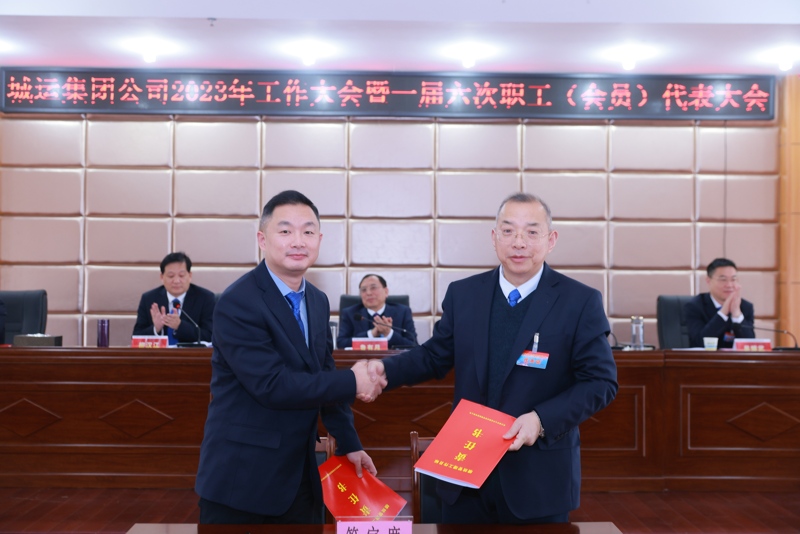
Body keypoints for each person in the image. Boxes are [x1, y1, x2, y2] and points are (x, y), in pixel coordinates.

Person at [365, 192, 618, 524]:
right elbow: (434, 356)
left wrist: (541, 420)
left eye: (532, 232)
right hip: (464, 475)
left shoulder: (579, 301)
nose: (519, 242)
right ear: (494, 237)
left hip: (537, 479)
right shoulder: (464, 294)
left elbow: (600, 383)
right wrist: (385, 370)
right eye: (508, 230)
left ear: (551, 240)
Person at [194, 190, 384, 524]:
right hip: (243, 481)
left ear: (319, 240)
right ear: (262, 240)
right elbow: (273, 385)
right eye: (285, 231)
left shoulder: (317, 301)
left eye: (308, 231)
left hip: (300, 476)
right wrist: (353, 381)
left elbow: (323, 372)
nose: (298, 241)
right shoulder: (238, 302)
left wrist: (349, 443)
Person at [132, 252, 215, 345]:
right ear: (162, 277)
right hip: (160, 354)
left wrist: (180, 326)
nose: (176, 281)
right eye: (171, 276)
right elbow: (136, 337)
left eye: (181, 275)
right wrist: (156, 329)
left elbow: (210, 335)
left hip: (190, 354)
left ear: (190, 276)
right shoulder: (149, 299)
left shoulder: (205, 298)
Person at [684, 257, 755, 349]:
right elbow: (699, 343)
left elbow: (750, 346)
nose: (729, 285)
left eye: (733, 279)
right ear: (708, 281)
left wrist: (737, 315)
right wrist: (723, 313)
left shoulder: (745, 307)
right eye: (723, 279)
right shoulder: (695, 307)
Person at [337, 274, 418, 349]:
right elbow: (341, 343)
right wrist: (371, 334)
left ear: (386, 292)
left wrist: (388, 333)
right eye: (363, 290)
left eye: (373, 288)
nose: (368, 293)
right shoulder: (351, 313)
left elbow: (413, 345)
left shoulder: (402, 312)